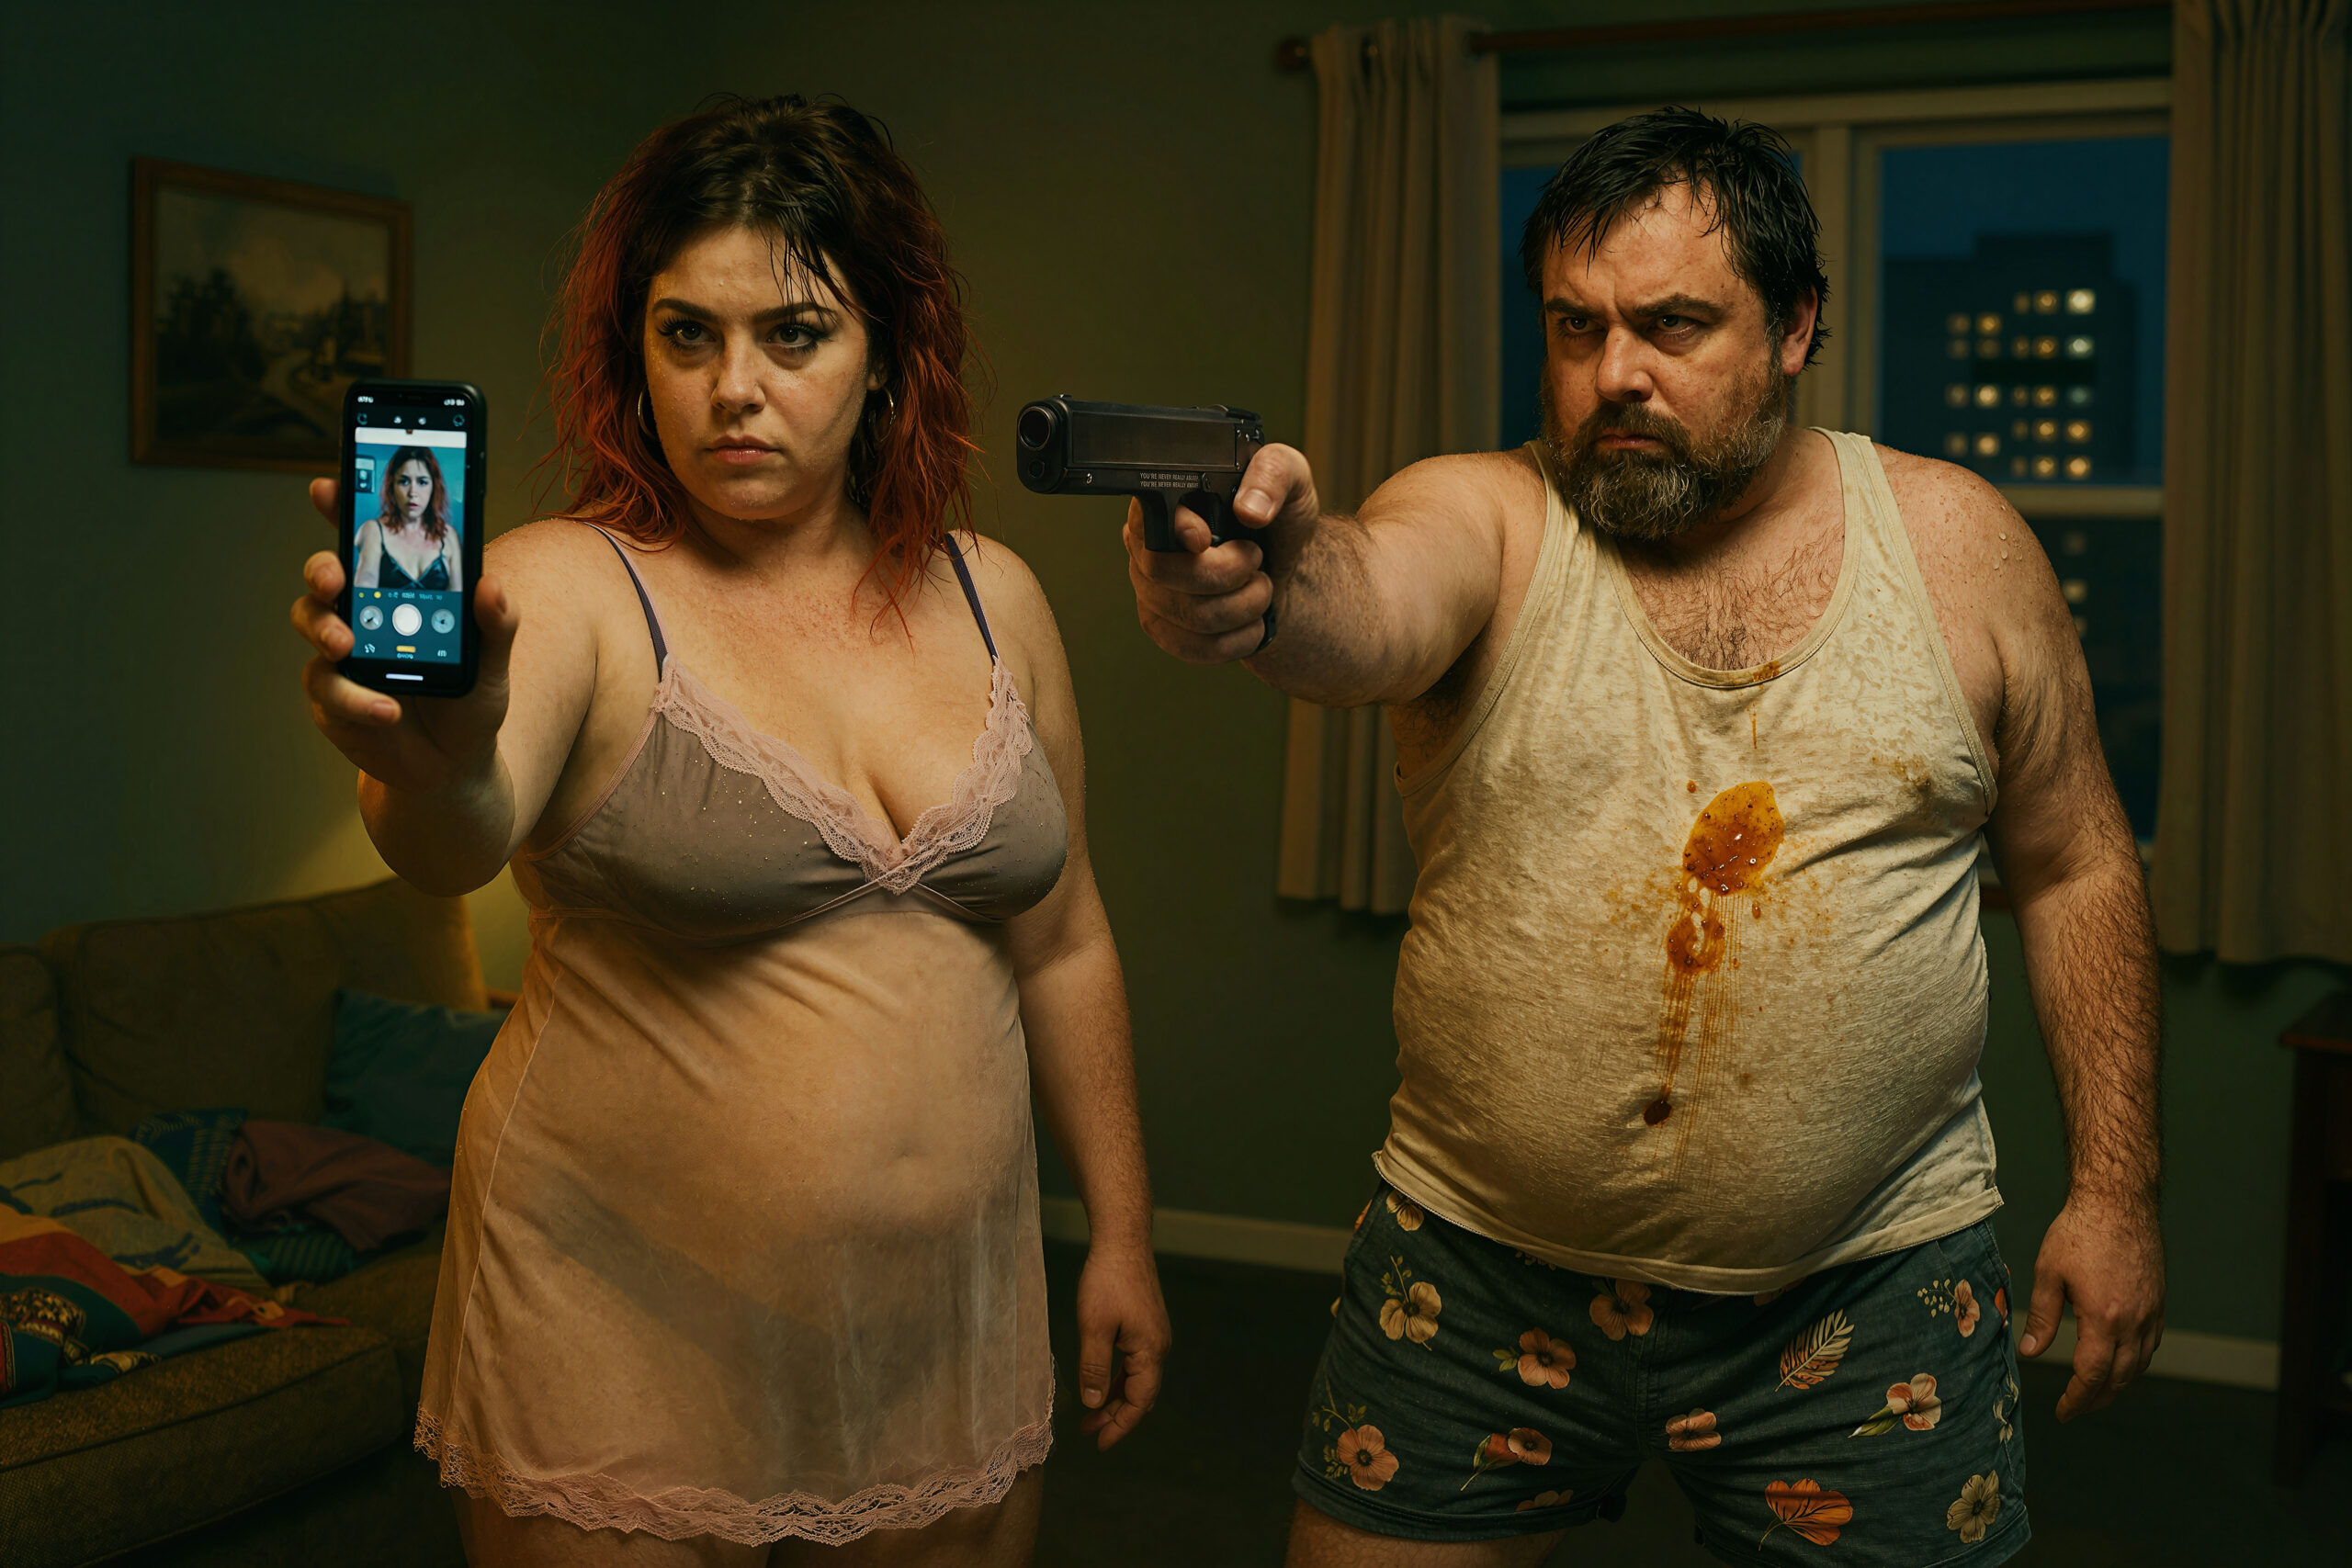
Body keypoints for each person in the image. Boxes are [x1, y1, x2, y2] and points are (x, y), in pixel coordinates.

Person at [1125, 108, 2161, 1567]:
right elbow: (1358, 595)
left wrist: (2115, 1191)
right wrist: (1258, 584)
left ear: (1795, 327)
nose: (1615, 372)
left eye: (1673, 325)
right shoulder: (1488, 513)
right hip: (1477, 1275)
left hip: (1865, 1293)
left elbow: (2077, 862)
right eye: (1577, 325)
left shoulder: (1961, 547)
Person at [291, 96, 1169, 1565]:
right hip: (614, 1327)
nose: (733, 389)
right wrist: (425, 762)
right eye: (686, 334)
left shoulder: (994, 595)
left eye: (795, 334)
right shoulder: (569, 586)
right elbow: (456, 832)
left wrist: (1125, 1233)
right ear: (635, 356)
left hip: (945, 1328)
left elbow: (1065, 936)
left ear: (886, 353)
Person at [354, 445, 463, 590]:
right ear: (392, 486)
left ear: (434, 487)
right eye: (404, 481)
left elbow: (456, 596)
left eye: (422, 482)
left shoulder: (448, 536)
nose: (412, 492)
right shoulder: (373, 530)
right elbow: (364, 589)